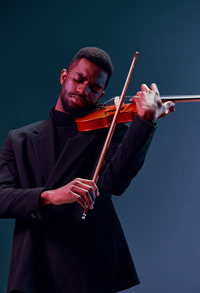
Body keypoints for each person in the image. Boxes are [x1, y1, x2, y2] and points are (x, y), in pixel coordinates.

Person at [0, 47, 175, 293]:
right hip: (34, 263)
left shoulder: (109, 129)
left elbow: (114, 184)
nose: (83, 90)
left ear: (102, 93)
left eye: (94, 88)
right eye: (79, 79)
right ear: (64, 76)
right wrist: (50, 195)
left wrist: (145, 120)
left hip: (90, 265)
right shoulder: (20, 139)